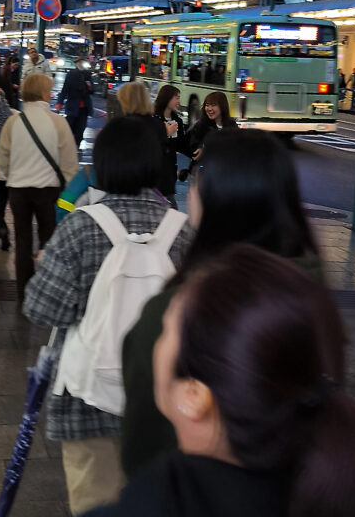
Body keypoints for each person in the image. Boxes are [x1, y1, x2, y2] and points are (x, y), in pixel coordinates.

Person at [90, 245, 355, 517]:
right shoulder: (329, 490)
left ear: (194, 396)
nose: (155, 339)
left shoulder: (151, 502)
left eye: (165, 329)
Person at [121, 128, 322, 478]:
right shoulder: (312, 297)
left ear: (215, 197)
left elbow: (144, 449)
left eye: (197, 180)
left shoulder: (177, 314)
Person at [24, 116, 192, 516]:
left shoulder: (80, 227)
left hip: (87, 400)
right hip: (165, 405)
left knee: (94, 502)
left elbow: (41, 309)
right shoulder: (184, 232)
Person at [0, 72, 78, 306]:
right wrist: (68, 192)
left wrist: (11, 175)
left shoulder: (13, 121)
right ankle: (47, 292)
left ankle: (24, 295)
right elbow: (69, 162)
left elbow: (2, 156)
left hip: (19, 190)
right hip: (49, 190)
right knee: (49, 241)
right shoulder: (58, 122)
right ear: (44, 93)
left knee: (22, 242)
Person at [151, 84, 187, 205]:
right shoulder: (154, 121)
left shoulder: (178, 121)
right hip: (155, 176)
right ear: (167, 99)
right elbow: (150, 147)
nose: (178, 101)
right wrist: (166, 134)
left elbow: (182, 145)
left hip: (169, 176)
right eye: (176, 98)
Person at [186, 91, 237, 163]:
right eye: (207, 105)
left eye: (213, 105)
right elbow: (193, 147)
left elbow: (237, 147)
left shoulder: (232, 125)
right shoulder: (201, 125)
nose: (209, 109)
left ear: (222, 106)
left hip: (226, 169)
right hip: (206, 169)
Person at [58, 56, 94, 147]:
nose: (81, 64)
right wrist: (60, 102)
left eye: (82, 62)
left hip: (84, 108)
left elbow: (92, 91)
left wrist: (89, 86)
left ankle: (76, 145)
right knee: (70, 127)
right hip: (72, 106)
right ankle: (70, 145)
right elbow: (65, 89)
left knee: (81, 128)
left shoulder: (87, 74)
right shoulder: (71, 74)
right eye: (79, 62)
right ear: (76, 63)